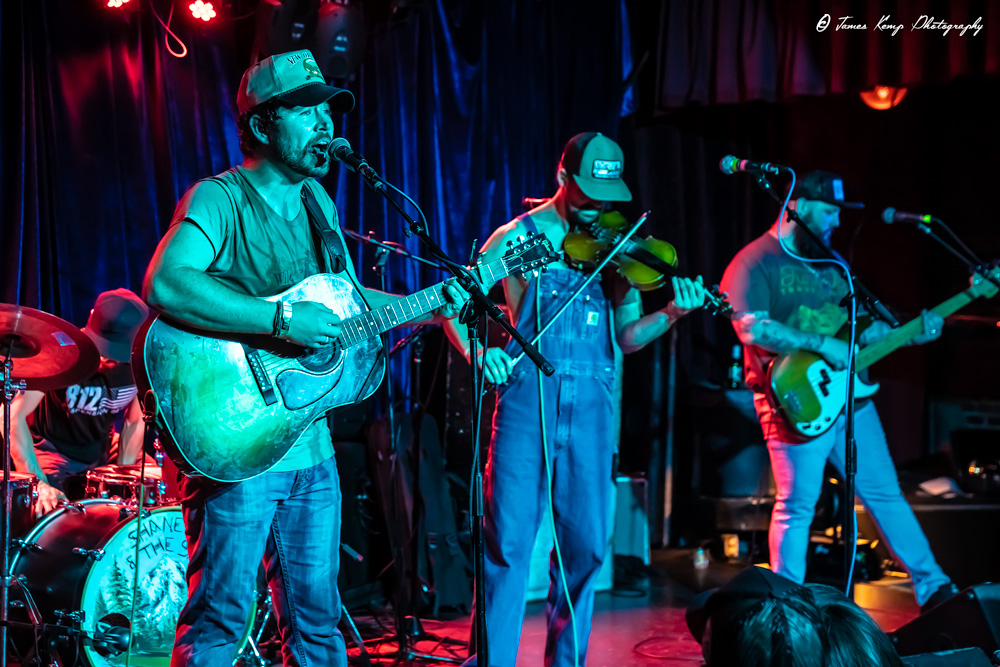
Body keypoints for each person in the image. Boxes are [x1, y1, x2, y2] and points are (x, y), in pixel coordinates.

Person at [143, 49, 466, 667]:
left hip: (310, 447)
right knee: (219, 623)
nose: (325, 125)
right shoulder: (219, 200)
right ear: (261, 125)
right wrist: (282, 321)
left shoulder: (320, 202)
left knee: (319, 624)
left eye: (328, 111)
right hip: (236, 444)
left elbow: (347, 303)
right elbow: (166, 282)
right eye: (305, 110)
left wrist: (430, 306)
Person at [444, 131, 709, 666]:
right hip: (526, 401)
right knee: (507, 544)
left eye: (607, 197)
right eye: (588, 193)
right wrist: (479, 353)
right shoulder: (517, 236)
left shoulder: (617, 247)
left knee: (586, 548)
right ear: (562, 177)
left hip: (592, 407)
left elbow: (626, 336)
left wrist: (672, 314)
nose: (598, 208)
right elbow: (452, 303)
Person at [719, 171, 958, 614]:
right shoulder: (754, 261)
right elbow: (751, 328)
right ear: (798, 206)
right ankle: (787, 606)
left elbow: (864, 332)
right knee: (797, 506)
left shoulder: (834, 265)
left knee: (885, 494)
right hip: (795, 402)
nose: (835, 221)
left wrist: (911, 333)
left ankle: (936, 588)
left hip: (852, 400)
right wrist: (821, 344)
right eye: (829, 211)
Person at [6, 288, 148, 516]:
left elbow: (134, 423)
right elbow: (12, 417)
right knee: (53, 511)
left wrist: (121, 487)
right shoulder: (60, 354)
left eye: (114, 352)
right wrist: (38, 483)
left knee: (152, 486)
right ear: (91, 317)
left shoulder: (140, 363)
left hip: (102, 445)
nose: (105, 357)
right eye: (102, 345)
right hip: (53, 449)